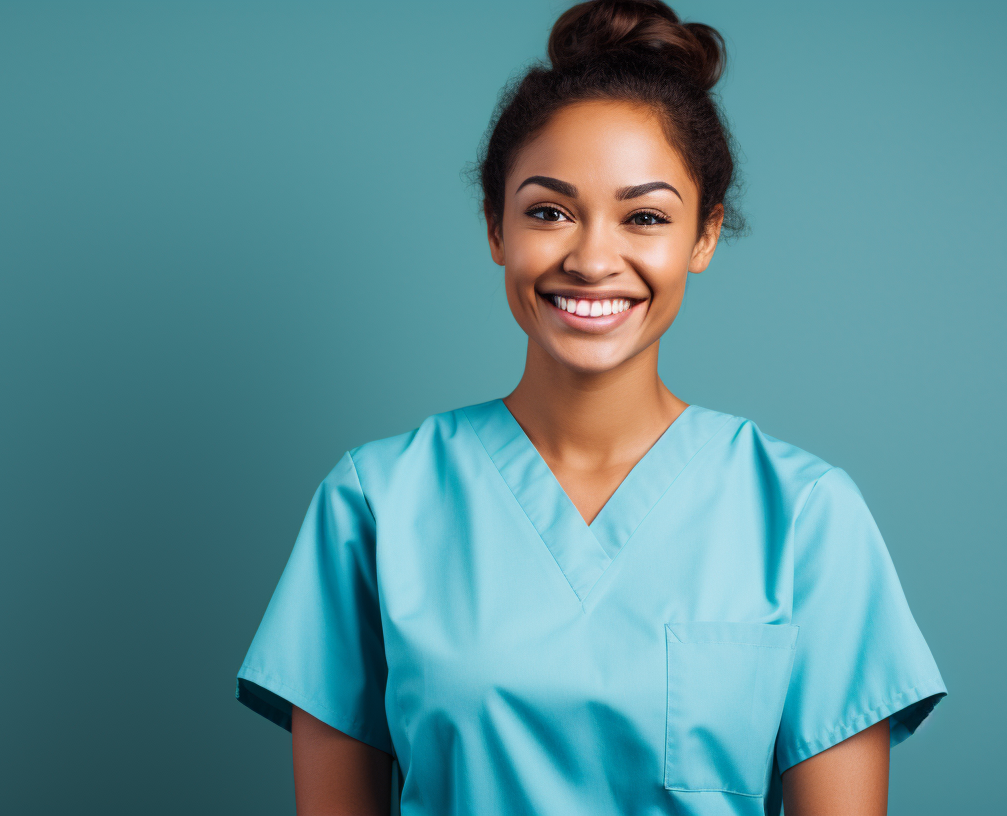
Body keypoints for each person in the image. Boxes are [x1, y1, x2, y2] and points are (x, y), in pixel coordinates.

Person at [234, 1, 947, 813]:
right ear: (495, 228)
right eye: (548, 211)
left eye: (645, 217)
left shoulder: (806, 517)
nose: (592, 258)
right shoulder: (375, 505)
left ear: (705, 237)